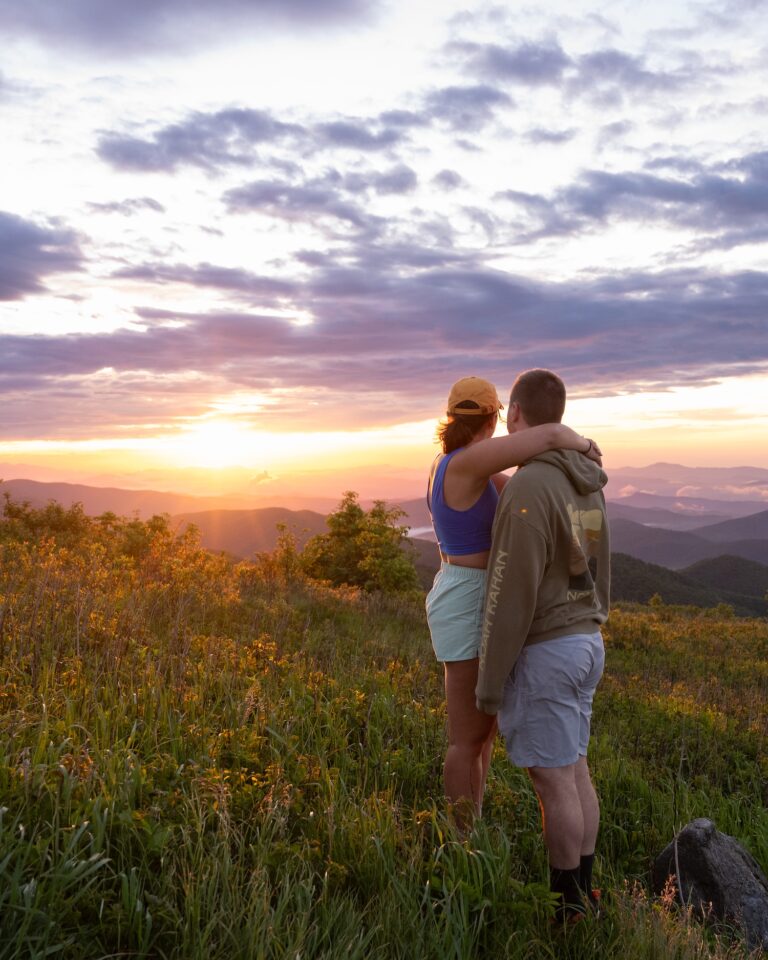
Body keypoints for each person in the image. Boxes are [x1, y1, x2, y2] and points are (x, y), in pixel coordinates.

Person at [426, 375, 602, 829]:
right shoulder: (462, 465)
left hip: (467, 592)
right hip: (466, 596)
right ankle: (461, 844)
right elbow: (544, 437)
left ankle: (473, 828)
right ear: (495, 416)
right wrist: (583, 446)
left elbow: (528, 484)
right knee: (468, 738)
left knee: (482, 737)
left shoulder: (466, 467)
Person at [475, 368, 610, 920]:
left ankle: (568, 911)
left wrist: (489, 681)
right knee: (575, 770)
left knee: (554, 781)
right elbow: (598, 563)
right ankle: (586, 893)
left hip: (549, 650)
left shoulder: (530, 484)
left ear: (515, 414)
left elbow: (512, 590)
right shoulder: (587, 480)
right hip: (586, 640)